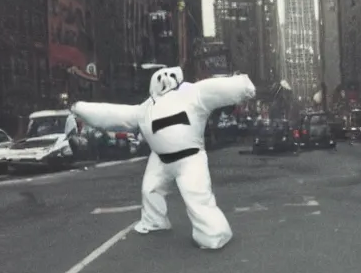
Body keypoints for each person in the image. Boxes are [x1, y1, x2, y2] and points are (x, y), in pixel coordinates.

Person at [70, 67, 256, 249]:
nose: (165, 79)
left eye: (169, 75)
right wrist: (82, 109)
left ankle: (214, 234)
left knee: (197, 197)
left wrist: (242, 86)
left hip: (190, 159)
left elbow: (218, 88)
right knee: (150, 189)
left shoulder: (192, 93)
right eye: (161, 77)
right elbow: (114, 115)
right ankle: (154, 220)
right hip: (160, 159)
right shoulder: (147, 107)